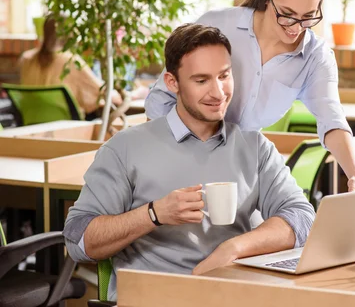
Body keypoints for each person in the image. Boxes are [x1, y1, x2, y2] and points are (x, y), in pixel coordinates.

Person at [63, 24, 315, 301]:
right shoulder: (124, 148)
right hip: (156, 299)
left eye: (224, 76)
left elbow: (302, 218)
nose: (218, 93)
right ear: (173, 83)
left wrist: (233, 248)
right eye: (201, 80)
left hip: (233, 296)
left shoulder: (254, 146)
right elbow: (78, 240)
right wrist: (153, 214)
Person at [145, 0, 355, 192]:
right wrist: (173, 158)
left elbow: (331, 119)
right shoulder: (218, 25)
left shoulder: (314, 57)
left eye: (308, 17)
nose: (296, 27)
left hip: (240, 172)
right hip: (179, 162)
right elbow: (160, 99)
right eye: (287, 14)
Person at [19, 15, 123, 117]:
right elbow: (104, 95)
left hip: (31, 124)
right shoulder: (70, 62)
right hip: (67, 126)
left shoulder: (26, 59)